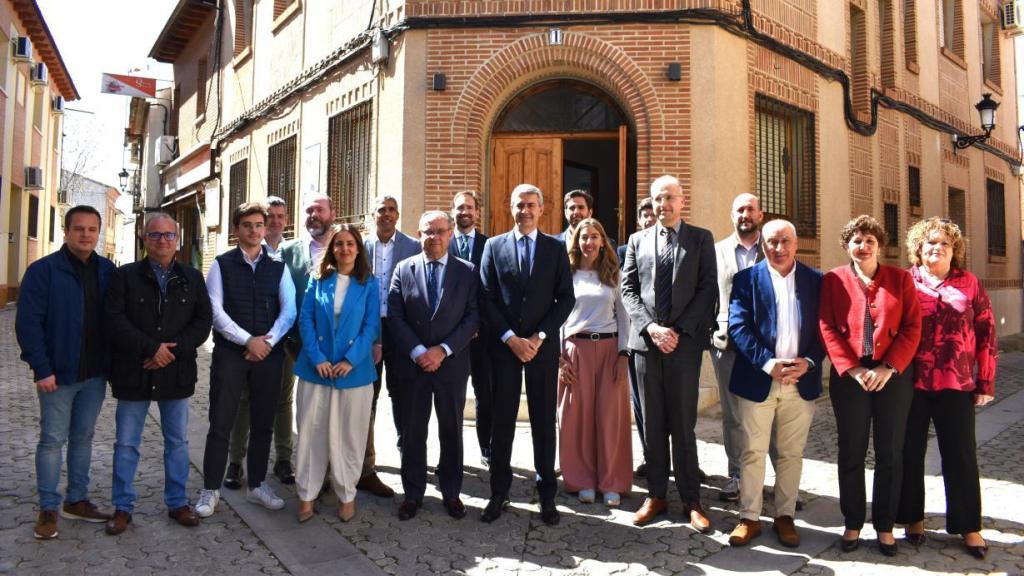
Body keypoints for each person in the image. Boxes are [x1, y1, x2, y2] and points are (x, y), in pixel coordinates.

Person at [103, 213, 213, 535]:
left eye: (168, 235)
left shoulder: (192, 278)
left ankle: (177, 502)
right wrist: (151, 348)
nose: (162, 240)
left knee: (177, 442)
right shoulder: (124, 277)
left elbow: (202, 322)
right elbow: (114, 320)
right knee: (126, 444)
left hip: (175, 373)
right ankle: (122, 507)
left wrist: (171, 352)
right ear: (144, 238)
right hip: (135, 371)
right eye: (155, 235)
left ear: (176, 240)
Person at [819, 215, 921, 556]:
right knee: (851, 450)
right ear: (847, 246)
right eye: (856, 241)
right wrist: (852, 369)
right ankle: (852, 522)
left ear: (880, 245)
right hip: (850, 380)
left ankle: (885, 526)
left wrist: (888, 368)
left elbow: (911, 328)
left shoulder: (900, 279)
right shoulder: (834, 279)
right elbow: (827, 326)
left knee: (890, 452)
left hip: (893, 377)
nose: (863, 247)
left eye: (869, 241)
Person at [897, 217, 997, 559]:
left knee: (961, 455)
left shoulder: (969, 284)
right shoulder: (905, 282)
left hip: (957, 383)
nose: (937, 248)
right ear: (918, 249)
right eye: (930, 243)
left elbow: (986, 334)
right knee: (909, 452)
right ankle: (912, 519)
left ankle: (969, 526)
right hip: (911, 383)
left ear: (955, 250)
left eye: (944, 243)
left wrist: (985, 380)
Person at [622, 175, 717, 532]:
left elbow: (707, 288)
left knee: (683, 424)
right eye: (658, 199)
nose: (663, 205)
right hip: (646, 345)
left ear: (682, 200)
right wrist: (651, 328)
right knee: (652, 424)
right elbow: (628, 290)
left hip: (683, 345)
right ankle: (657, 494)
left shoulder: (700, 239)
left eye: (670, 198)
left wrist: (677, 332)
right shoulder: (637, 240)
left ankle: (691, 499)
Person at [16, 205, 116, 539]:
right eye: (79, 229)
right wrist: (41, 368)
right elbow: (28, 323)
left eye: (92, 229)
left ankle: (77, 500)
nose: (86, 234)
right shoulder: (43, 271)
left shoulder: (107, 270)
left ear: (98, 233)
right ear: (66, 231)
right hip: (56, 377)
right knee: (52, 440)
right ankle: (48, 508)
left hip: (94, 375)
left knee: (83, 439)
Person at [479, 183, 576, 526]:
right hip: (505, 349)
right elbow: (486, 297)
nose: (525, 210)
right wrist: (510, 338)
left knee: (542, 422)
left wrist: (538, 336)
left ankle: (546, 494)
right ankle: (498, 493)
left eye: (531, 205)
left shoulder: (555, 248)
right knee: (501, 422)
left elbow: (566, 298)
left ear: (542, 208)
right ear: (511, 207)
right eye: (519, 204)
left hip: (541, 349)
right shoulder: (493, 246)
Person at [725, 220, 823, 548]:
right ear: (762, 244)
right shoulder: (746, 280)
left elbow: (827, 330)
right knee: (752, 451)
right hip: (758, 379)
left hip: (800, 381)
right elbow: (739, 328)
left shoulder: (815, 280)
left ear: (796, 244)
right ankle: (749, 517)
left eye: (784, 241)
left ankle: (784, 517)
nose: (777, 248)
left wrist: (808, 363)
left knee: (791, 454)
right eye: (771, 242)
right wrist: (769, 364)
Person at [196, 202, 297, 518]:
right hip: (231, 355)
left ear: (265, 230)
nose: (254, 230)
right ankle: (210, 489)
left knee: (263, 422)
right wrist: (247, 340)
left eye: (259, 225)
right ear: (237, 230)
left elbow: (289, 309)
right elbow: (215, 310)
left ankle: (257, 485)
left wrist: (266, 342)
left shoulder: (278, 266)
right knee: (221, 422)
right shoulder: (221, 265)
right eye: (247, 225)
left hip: (268, 355)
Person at [388, 211, 480, 520]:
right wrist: (418, 352)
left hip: (451, 366)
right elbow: (395, 315)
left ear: (451, 233)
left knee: (451, 431)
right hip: (413, 367)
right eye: (428, 231)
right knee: (413, 432)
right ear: (418, 234)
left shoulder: (467, 271)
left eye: (441, 231)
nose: (435, 237)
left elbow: (473, 317)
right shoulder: (403, 269)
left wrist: (442, 350)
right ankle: (412, 494)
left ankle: (451, 493)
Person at [293, 224, 380, 523]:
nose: (344, 249)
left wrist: (350, 360)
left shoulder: (370, 284)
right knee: (310, 434)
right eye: (339, 244)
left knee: (349, 437)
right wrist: (317, 357)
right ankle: (306, 494)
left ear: (358, 248)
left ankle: (347, 495)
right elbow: (305, 320)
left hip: (353, 374)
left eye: (350, 243)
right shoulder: (317, 280)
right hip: (316, 370)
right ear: (332, 249)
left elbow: (371, 327)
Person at [557, 218, 632, 508]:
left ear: (603, 242)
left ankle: (612, 481)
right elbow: (558, 317)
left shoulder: (614, 275)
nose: (588, 242)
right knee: (577, 417)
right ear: (576, 242)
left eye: (594, 237)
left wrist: (624, 354)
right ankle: (581, 479)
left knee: (611, 418)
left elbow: (625, 317)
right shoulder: (567, 274)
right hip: (576, 349)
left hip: (611, 348)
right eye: (583, 237)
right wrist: (559, 358)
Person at [225, 195, 297, 489]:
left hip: (285, 340)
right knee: (244, 401)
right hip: (247, 342)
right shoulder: (243, 251)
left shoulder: (297, 251)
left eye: (281, 216)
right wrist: (249, 340)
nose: (276, 222)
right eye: (271, 216)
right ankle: (235, 461)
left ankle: (283, 459)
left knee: (283, 400)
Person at [362, 195, 421, 497]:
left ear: (398, 214)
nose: (386, 214)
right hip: (368, 331)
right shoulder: (359, 246)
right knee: (366, 397)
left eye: (391, 210)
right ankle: (364, 465)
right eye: (380, 210)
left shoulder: (414, 246)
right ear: (372, 215)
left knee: (402, 396)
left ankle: (407, 457)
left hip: (400, 330)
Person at [711, 193, 764, 502]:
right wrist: (712, 329)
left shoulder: (772, 249)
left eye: (750, 209)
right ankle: (736, 475)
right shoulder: (716, 252)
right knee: (733, 415)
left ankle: (778, 479)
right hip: (727, 343)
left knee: (767, 414)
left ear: (760, 215)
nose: (745, 214)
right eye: (739, 210)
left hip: (765, 348)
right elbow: (708, 294)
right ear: (732, 216)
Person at [448, 191, 493, 466]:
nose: (464, 212)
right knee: (451, 396)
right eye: (459, 207)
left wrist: (477, 323)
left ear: (477, 211)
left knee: (484, 394)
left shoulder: (490, 245)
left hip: (483, 336)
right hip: (450, 336)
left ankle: (486, 447)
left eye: (469, 207)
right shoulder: (441, 241)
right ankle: (451, 451)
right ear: (452, 211)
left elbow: (491, 290)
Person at [618, 197, 655, 479]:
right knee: (640, 403)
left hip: (672, 339)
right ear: (639, 220)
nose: (650, 218)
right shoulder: (624, 250)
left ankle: (678, 459)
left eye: (654, 214)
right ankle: (649, 457)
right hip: (637, 338)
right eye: (645, 214)